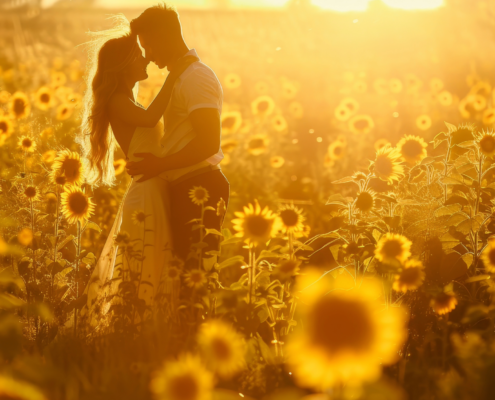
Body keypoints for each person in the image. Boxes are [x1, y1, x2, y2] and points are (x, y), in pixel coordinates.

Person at [76, 16, 199, 334]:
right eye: (138, 54)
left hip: (154, 188)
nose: (146, 58)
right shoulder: (118, 101)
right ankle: (134, 335)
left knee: (157, 264)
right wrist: (178, 71)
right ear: (124, 65)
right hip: (146, 193)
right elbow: (151, 119)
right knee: (145, 266)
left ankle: (150, 335)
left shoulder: (126, 98)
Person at [126, 3, 230, 262]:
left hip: (200, 187)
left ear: (164, 36)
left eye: (148, 45)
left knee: (194, 280)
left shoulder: (196, 77)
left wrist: (160, 165)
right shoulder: (183, 76)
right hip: (188, 186)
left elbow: (208, 143)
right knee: (181, 281)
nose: (147, 55)